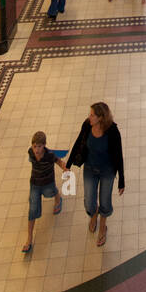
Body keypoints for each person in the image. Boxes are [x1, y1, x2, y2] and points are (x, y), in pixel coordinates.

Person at [66, 103, 125, 249]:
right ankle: (93, 214)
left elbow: (119, 156)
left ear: (101, 118)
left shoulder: (112, 131)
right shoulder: (87, 125)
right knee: (89, 201)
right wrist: (68, 164)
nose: (89, 117)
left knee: (105, 200)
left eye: (92, 115)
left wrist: (121, 180)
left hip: (107, 171)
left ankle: (103, 225)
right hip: (90, 169)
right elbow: (78, 142)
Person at [22, 131, 67, 252]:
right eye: (34, 146)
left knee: (51, 192)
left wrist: (64, 168)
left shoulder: (49, 155)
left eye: (39, 146)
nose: (36, 149)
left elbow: (59, 161)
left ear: (44, 145)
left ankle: (58, 198)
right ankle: (29, 239)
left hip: (48, 181)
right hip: (35, 184)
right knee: (32, 210)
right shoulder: (30, 152)